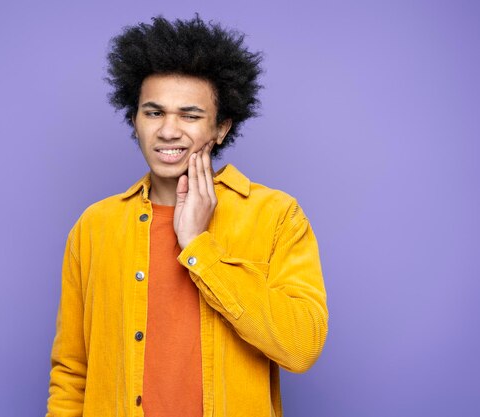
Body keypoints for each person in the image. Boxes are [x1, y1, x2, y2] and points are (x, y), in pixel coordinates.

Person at [46, 15, 328, 417]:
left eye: (190, 115)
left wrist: (200, 247)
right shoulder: (95, 226)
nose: (168, 130)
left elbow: (302, 346)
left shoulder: (276, 215)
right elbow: (73, 372)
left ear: (221, 128)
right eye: (154, 112)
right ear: (135, 120)